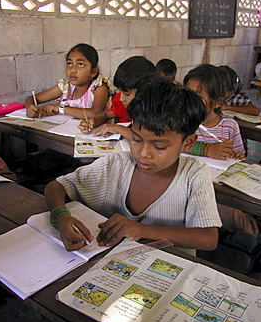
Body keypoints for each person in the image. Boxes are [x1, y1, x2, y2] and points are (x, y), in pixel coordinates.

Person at [44, 78, 222, 256]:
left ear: (188, 143)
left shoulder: (194, 175)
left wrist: (142, 230)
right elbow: (57, 186)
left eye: (159, 146)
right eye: (136, 139)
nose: (144, 153)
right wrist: (60, 216)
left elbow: (208, 238)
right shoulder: (115, 165)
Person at [25, 43, 111, 120]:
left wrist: (61, 109)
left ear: (93, 72)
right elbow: (32, 98)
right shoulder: (66, 87)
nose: (73, 70)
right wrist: (31, 108)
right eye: (69, 64)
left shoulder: (98, 87)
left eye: (80, 65)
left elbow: (95, 113)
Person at [79, 56, 156, 139]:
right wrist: (94, 122)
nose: (121, 99)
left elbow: (145, 138)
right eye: (120, 92)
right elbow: (105, 114)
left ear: (145, 92)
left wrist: (118, 128)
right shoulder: (124, 102)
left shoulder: (155, 110)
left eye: (126, 94)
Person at [183, 64, 246, 160]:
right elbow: (170, 146)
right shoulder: (179, 121)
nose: (188, 100)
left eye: (197, 97)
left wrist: (236, 156)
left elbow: (238, 154)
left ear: (217, 102)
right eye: (186, 94)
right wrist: (206, 149)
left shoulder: (230, 126)